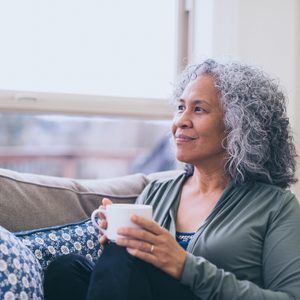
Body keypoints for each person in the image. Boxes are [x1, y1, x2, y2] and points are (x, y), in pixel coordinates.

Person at [43, 59, 300, 300]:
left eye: (198, 109)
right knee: (67, 269)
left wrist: (186, 267)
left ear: (239, 125)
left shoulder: (275, 207)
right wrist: (115, 241)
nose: (181, 121)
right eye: (180, 108)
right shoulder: (157, 191)